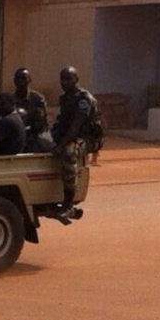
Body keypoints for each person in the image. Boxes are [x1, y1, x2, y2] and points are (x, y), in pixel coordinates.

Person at [51, 66, 100, 219]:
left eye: (68, 79)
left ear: (76, 80)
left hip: (86, 138)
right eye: (62, 79)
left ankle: (69, 204)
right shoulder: (65, 98)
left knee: (68, 153)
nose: (64, 82)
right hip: (68, 135)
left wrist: (59, 146)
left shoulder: (83, 99)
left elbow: (75, 127)